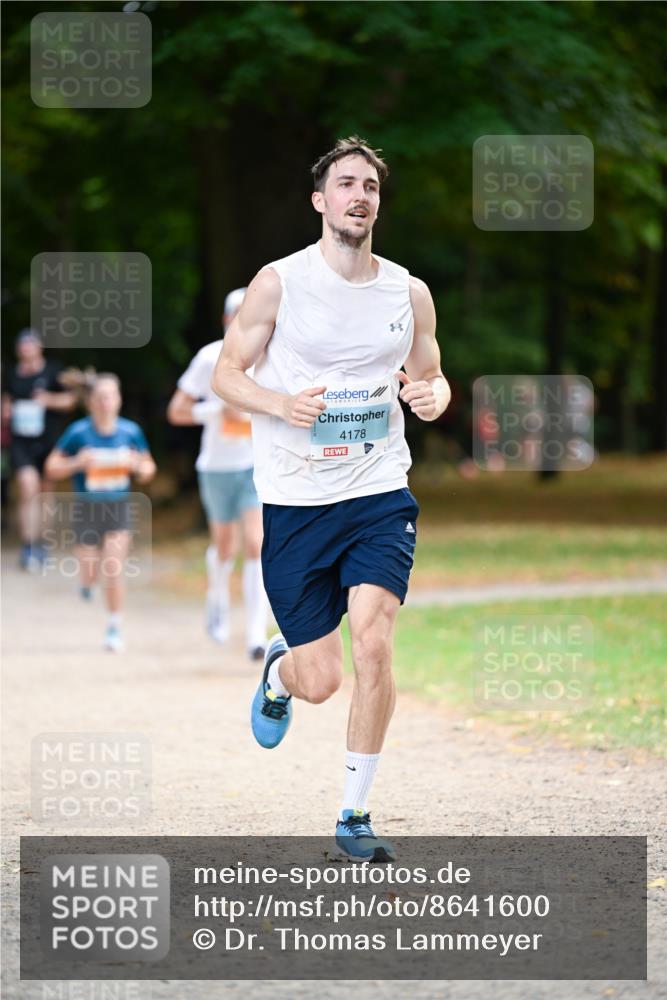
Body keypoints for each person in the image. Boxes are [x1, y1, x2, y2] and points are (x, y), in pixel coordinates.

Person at [213, 136, 451, 861]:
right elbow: (227, 372)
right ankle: (279, 672)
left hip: (378, 492)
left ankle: (354, 813)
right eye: (346, 184)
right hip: (295, 501)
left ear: (378, 203)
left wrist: (434, 397)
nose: (359, 196)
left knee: (374, 640)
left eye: (370, 186)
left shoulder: (407, 292)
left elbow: (431, 375)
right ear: (320, 200)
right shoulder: (279, 283)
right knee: (320, 681)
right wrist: (279, 404)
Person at [167, 288, 269, 659]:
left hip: (254, 465)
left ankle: (256, 633)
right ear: (227, 319)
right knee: (225, 545)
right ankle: (218, 598)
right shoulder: (209, 357)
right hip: (215, 466)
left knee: (256, 543)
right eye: (239, 313)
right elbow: (176, 411)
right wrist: (215, 412)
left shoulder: (269, 358)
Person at [45, 373, 156, 652]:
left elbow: (148, 468)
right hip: (86, 509)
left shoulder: (130, 432)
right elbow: (51, 468)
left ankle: (114, 626)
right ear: (91, 402)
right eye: (100, 397)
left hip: (119, 508)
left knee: (113, 567)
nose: (106, 402)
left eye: (111, 396)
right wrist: (77, 463)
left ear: (119, 400)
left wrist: (138, 467)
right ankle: (87, 583)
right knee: (91, 570)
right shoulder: (78, 433)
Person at [1, 329, 76, 569]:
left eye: (30, 344)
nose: (26, 349)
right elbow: (6, 400)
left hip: (49, 440)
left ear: (39, 347)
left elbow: (70, 400)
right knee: (27, 487)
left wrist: (48, 400)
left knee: (45, 492)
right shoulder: (12, 374)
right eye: (22, 345)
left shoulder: (53, 371)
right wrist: (6, 411)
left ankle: (43, 543)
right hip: (21, 441)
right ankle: (28, 544)